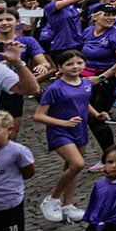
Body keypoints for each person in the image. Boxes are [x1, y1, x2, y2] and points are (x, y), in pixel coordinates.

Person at [34, 49, 95, 222]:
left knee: (71, 169)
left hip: (80, 130)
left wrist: (97, 115)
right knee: (77, 164)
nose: (75, 67)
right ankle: (52, 199)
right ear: (60, 68)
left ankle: (68, 205)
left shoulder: (86, 83)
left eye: (79, 63)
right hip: (60, 131)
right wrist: (64, 123)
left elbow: (84, 103)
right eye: (69, 64)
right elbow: (38, 115)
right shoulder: (54, 88)